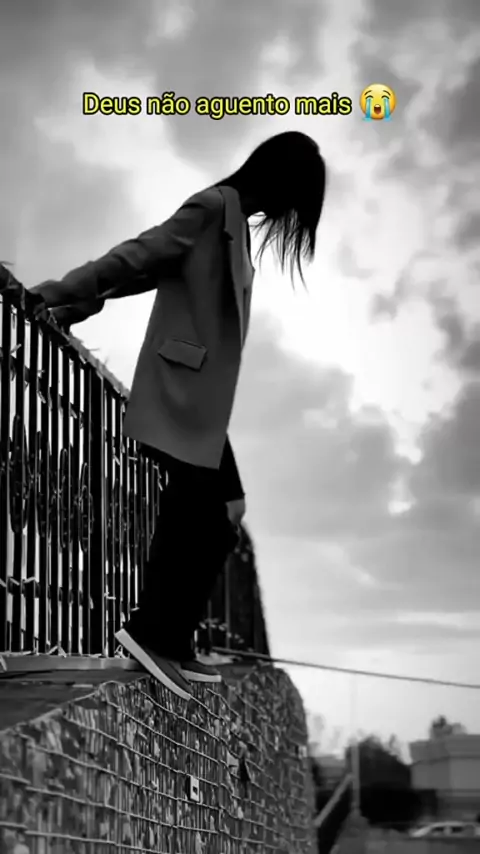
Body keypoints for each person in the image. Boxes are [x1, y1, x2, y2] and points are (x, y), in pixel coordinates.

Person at [31, 131, 326, 700]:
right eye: (296, 200)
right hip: (179, 386)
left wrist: (81, 304)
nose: (291, 215)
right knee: (199, 509)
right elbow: (138, 256)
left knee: (226, 509)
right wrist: (58, 295)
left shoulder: (234, 222)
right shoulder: (213, 207)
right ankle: (152, 632)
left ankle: (169, 634)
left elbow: (152, 270)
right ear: (279, 182)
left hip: (202, 398)